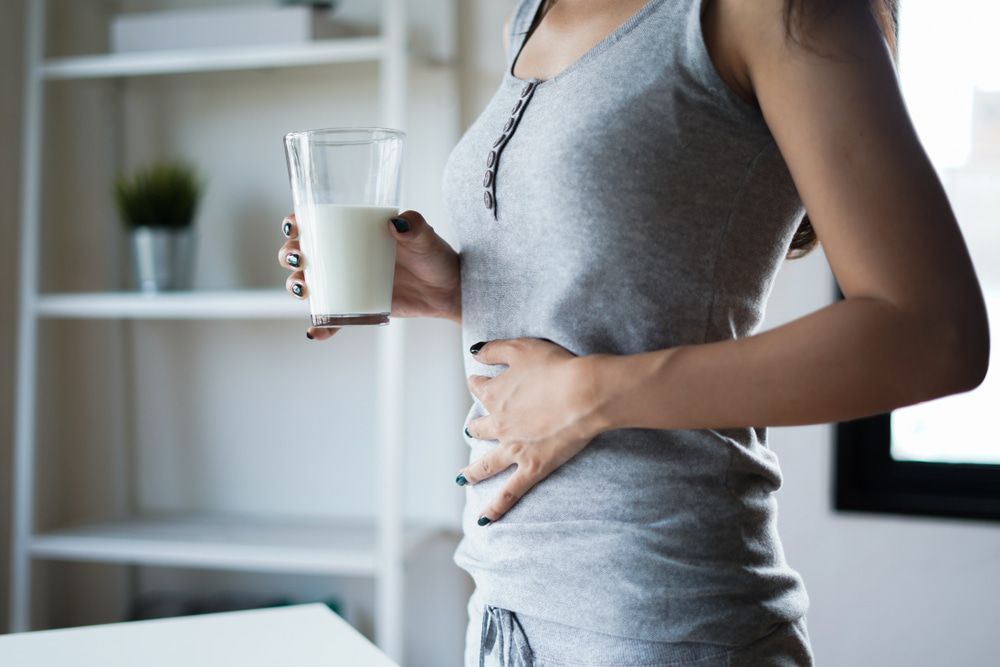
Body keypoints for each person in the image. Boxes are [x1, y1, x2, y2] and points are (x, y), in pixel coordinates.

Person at [279, 0, 990, 664]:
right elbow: (616, 300)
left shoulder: (770, 11)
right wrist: (459, 291)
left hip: (664, 621)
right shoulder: (532, 15)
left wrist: (592, 391)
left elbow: (935, 332)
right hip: (502, 612)